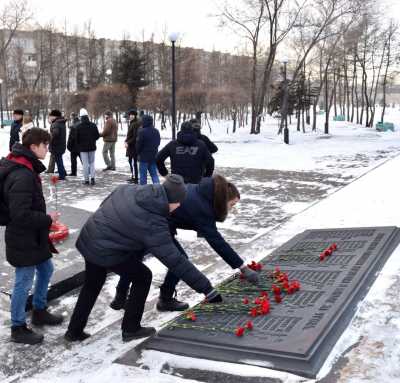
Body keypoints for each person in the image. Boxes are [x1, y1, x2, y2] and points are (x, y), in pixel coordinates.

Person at [64, 174, 221, 343]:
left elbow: (106, 206)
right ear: (171, 200)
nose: (178, 206)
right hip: (107, 249)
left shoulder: (132, 189)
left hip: (91, 237)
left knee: (92, 285)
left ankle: (74, 331)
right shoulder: (153, 221)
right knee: (143, 277)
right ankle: (131, 329)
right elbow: (175, 260)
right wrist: (207, 288)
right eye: (178, 203)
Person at [111, 174, 259, 312]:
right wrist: (243, 268)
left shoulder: (203, 192)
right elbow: (217, 242)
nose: (231, 210)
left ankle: (120, 296)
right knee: (179, 259)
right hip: (156, 224)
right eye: (232, 205)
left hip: (145, 219)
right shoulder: (204, 208)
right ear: (223, 199)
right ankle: (165, 299)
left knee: (136, 256)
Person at [0, 128, 63, 345]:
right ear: (33, 147)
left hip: (33, 236)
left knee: (46, 269)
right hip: (23, 238)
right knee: (23, 280)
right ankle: (18, 327)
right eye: (45, 144)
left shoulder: (25, 167)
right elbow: (20, 215)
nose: (48, 148)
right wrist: (48, 219)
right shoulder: (22, 174)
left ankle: (39, 310)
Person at [75, 108, 100, 186]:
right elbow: (97, 136)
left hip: (83, 149)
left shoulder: (78, 126)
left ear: (81, 117)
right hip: (92, 147)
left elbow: (76, 138)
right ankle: (92, 178)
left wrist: (79, 145)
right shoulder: (93, 125)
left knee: (85, 164)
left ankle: (86, 180)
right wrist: (92, 140)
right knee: (92, 163)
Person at [136, 114, 160, 185]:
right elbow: (158, 142)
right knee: (154, 174)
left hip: (143, 157)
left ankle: (143, 191)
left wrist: (138, 153)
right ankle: (158, 189)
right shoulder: (156, 131)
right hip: (153, 155)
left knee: (143, 175)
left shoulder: (142, 132)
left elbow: (138, 145)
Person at [48, 110, 67, 180]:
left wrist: (49, 137)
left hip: (56, 145)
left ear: (54, 116)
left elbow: (55, 133)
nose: (50, 118)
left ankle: (62, 175)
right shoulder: (60, 122)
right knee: (59, 159)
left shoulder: (56, 124)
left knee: (58, 160)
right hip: (61, 145)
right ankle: (63, 172)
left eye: (51, 116)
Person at [125, 109, 141, 183]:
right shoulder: (132, 123)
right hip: (131, 145)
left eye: (132, 115)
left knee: (133, 162)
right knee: (131, 161)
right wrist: (126, 141)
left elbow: (135, 136)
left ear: (135, 116)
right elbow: (130, 135)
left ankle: (135, 177)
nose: (130, 116)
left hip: (133, 146)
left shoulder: (135, 124)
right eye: (130, 115)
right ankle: (133, 176)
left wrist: (128, 142)